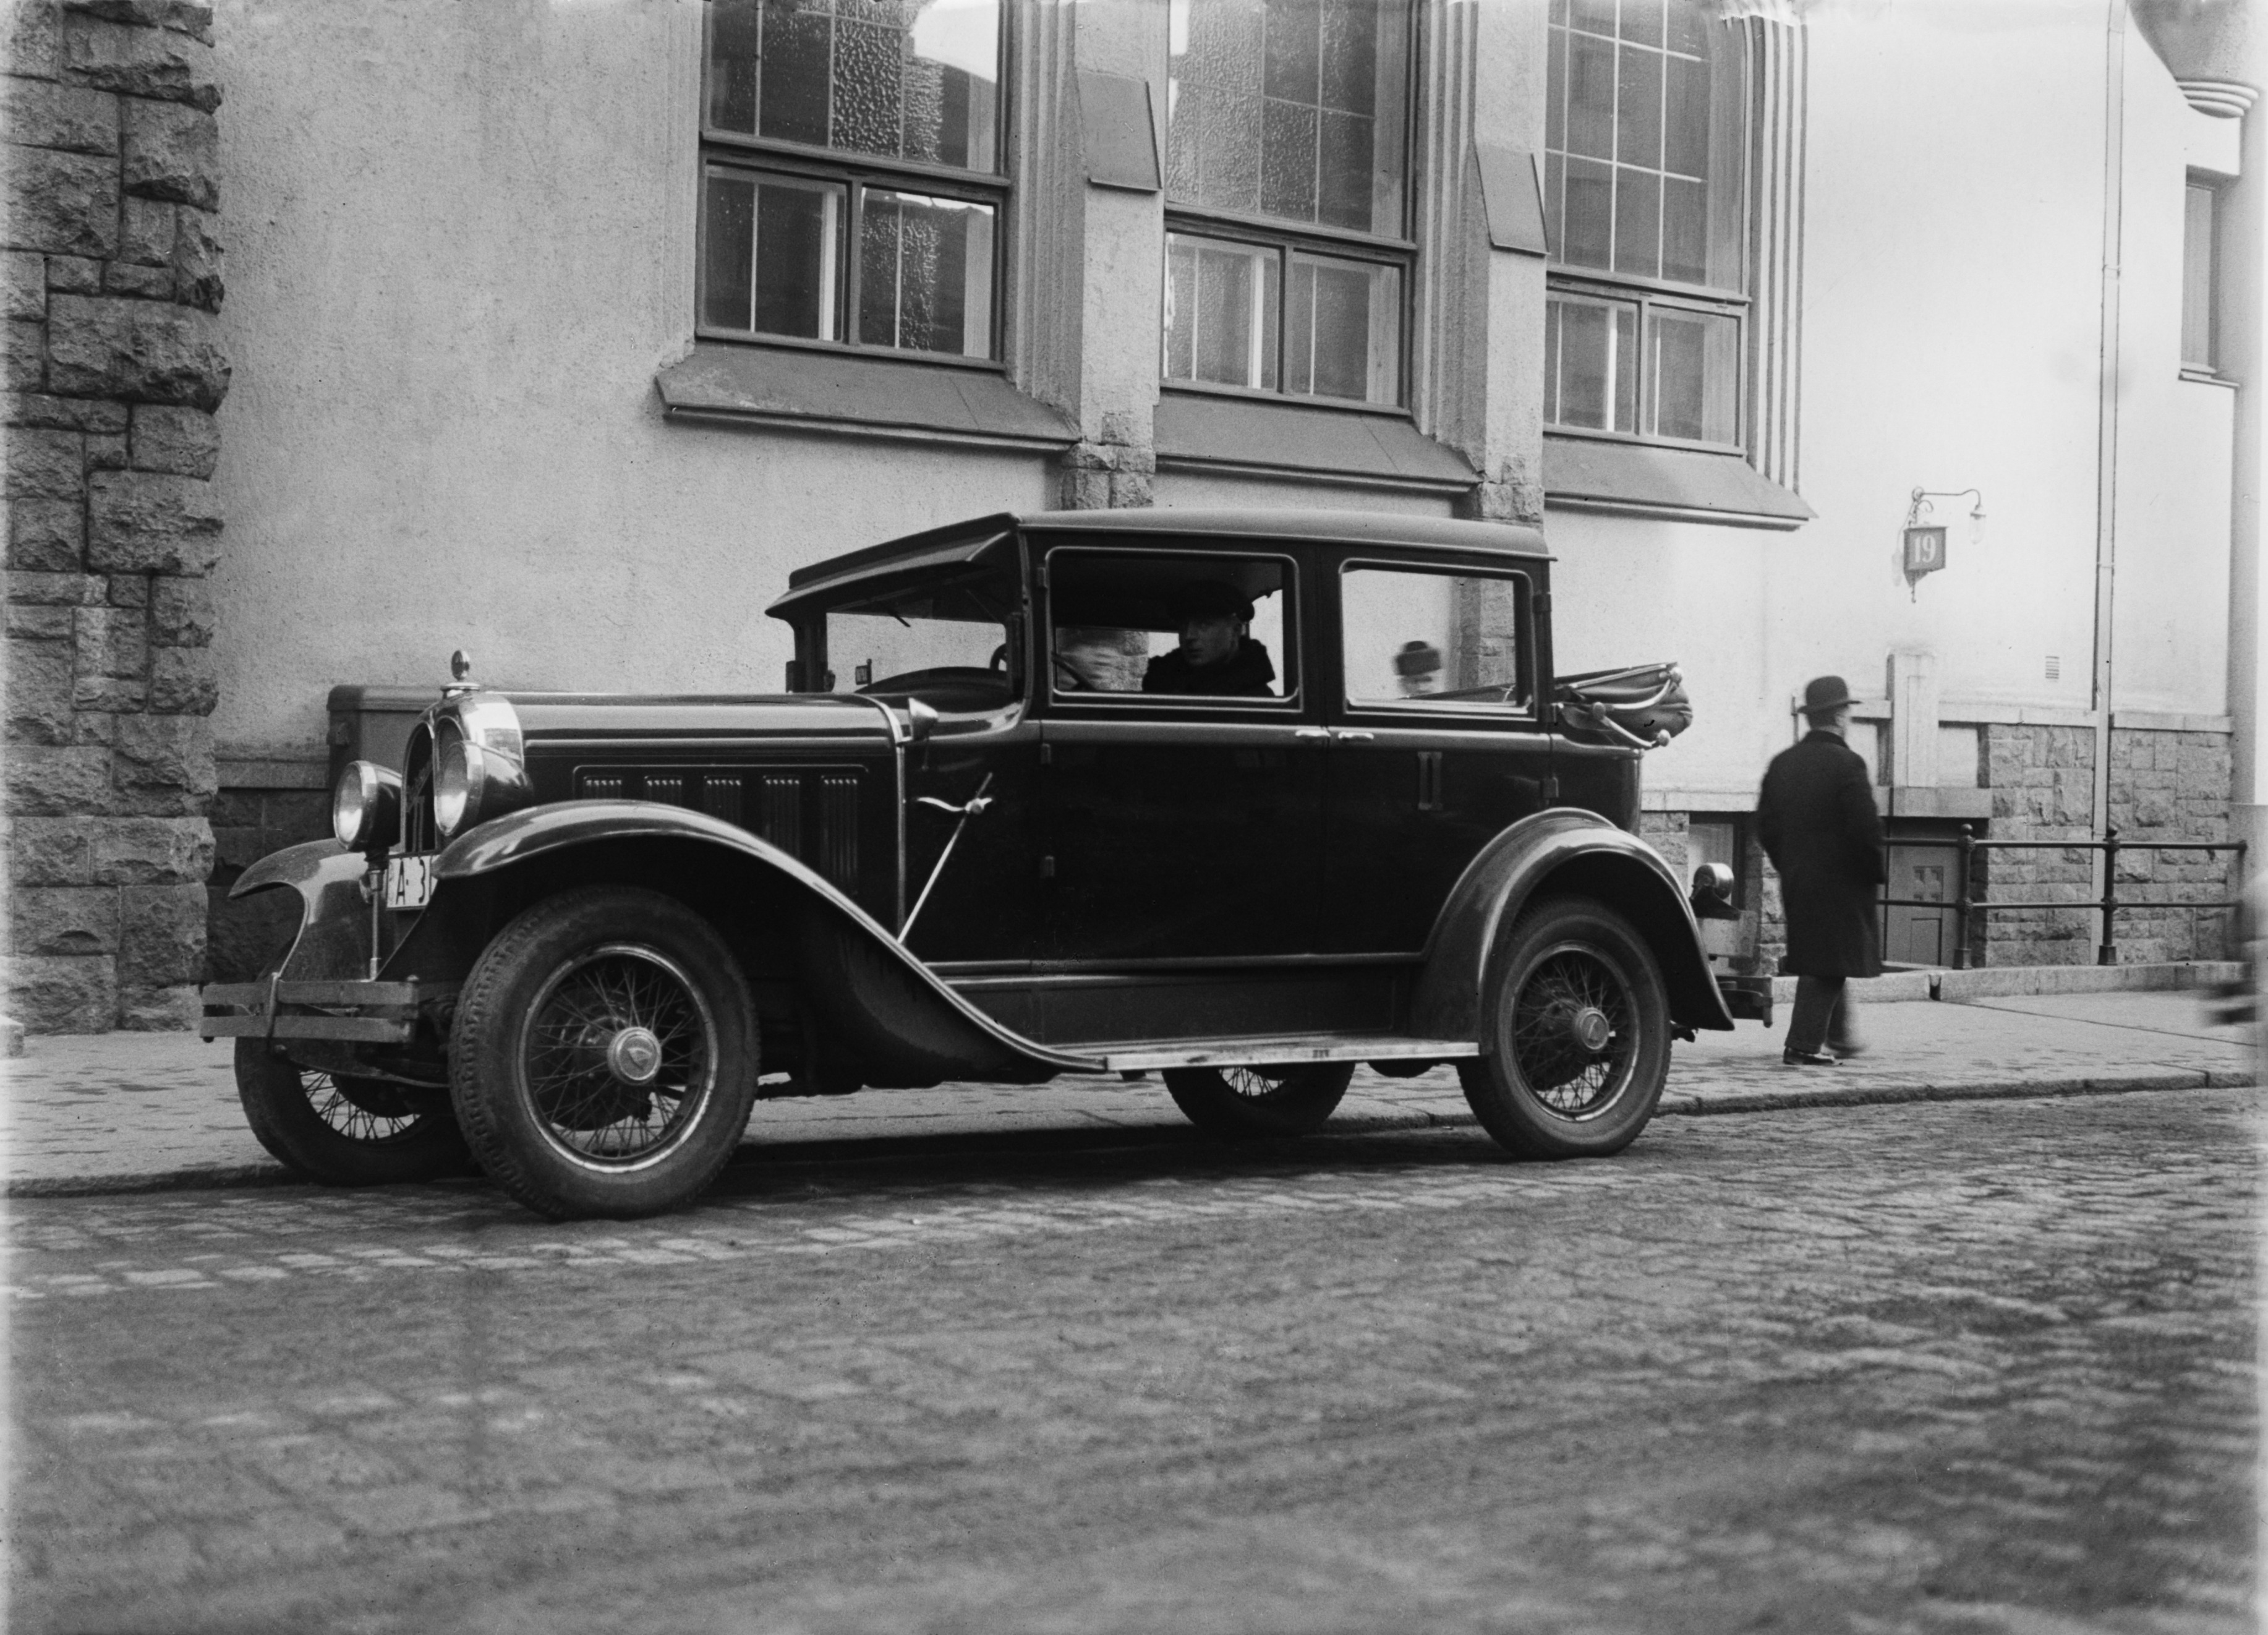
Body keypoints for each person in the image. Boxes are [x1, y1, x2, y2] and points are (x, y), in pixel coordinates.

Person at [1757, 675, 1886, 1065]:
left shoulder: (1783, 763)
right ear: (1841, 715)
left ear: (1811, 718)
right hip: (1841, 882)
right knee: (1830, 964)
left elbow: (1764, 825)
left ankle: (1843, 1038)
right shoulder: (1848, 763)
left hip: (1799, 879)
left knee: (1827, 958)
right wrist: (1873, 871)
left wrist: (1789, 864)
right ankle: (1802, 1046)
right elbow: (1865, 827)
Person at [1140, 580, 1277, 697]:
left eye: (1203, 625)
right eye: (1183, 626)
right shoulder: (1161, 685)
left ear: (1235, 631)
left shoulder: (1258, 700)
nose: (1189, 636)